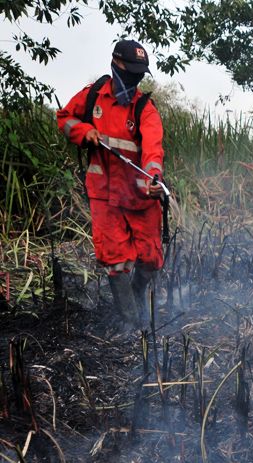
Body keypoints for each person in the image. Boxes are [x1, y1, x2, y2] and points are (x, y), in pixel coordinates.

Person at [57, 39, 165, 330]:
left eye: (140, 74)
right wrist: (83, 130)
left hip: (140, 195)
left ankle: (138, 293)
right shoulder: (92, 96)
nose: (135, 79)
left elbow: (154, 149)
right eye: (131, 72)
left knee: (151, 258)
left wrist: (153, 177)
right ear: (116, 65)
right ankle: (132, 323)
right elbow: (64, 118)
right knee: (116, 260)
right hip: (104, 194)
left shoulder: (145, 108)